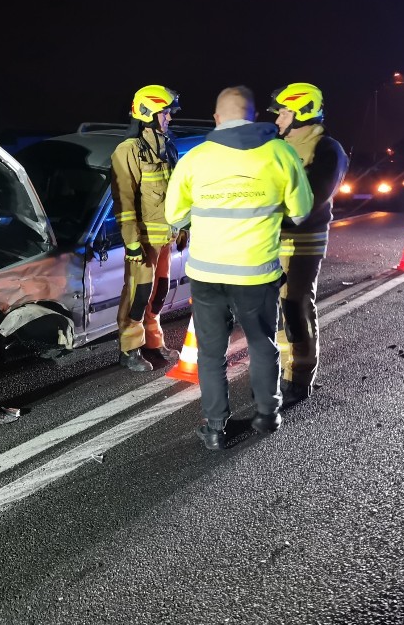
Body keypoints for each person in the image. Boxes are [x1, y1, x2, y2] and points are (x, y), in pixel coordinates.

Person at [165, 86, 313, 450]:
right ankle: (267, 415)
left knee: (212, 354)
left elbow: (174, 215)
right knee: (263, 345)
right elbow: (301, 210)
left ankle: (215, 428)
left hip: (206, 274)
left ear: (217, 119)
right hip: (256, 273)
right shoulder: (280, 153)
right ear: (254, 118)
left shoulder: (195, 158)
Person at [266, 83, 349, 408]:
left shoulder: (327, 149)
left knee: (295, 307)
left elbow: (310, 202)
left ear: (302, 112)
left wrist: (268, 216)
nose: (278, 118)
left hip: (302, 243)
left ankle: (299, 376)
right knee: (273, 310)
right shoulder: (277, 145)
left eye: (284, 112)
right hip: (271, 241)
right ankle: (280, 369)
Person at [111, 84, 182, 371]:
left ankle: (154, 342)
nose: (169, 118)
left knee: (159, 292)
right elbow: (124, 201)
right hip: (143, 242)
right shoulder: (128, 151)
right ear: (148, 113)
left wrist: (182, 227)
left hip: (165, 237)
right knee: (138, 295)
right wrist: (131, 243)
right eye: (165, 113)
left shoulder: (167, 147)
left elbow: (176, 192)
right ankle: (129, 349)